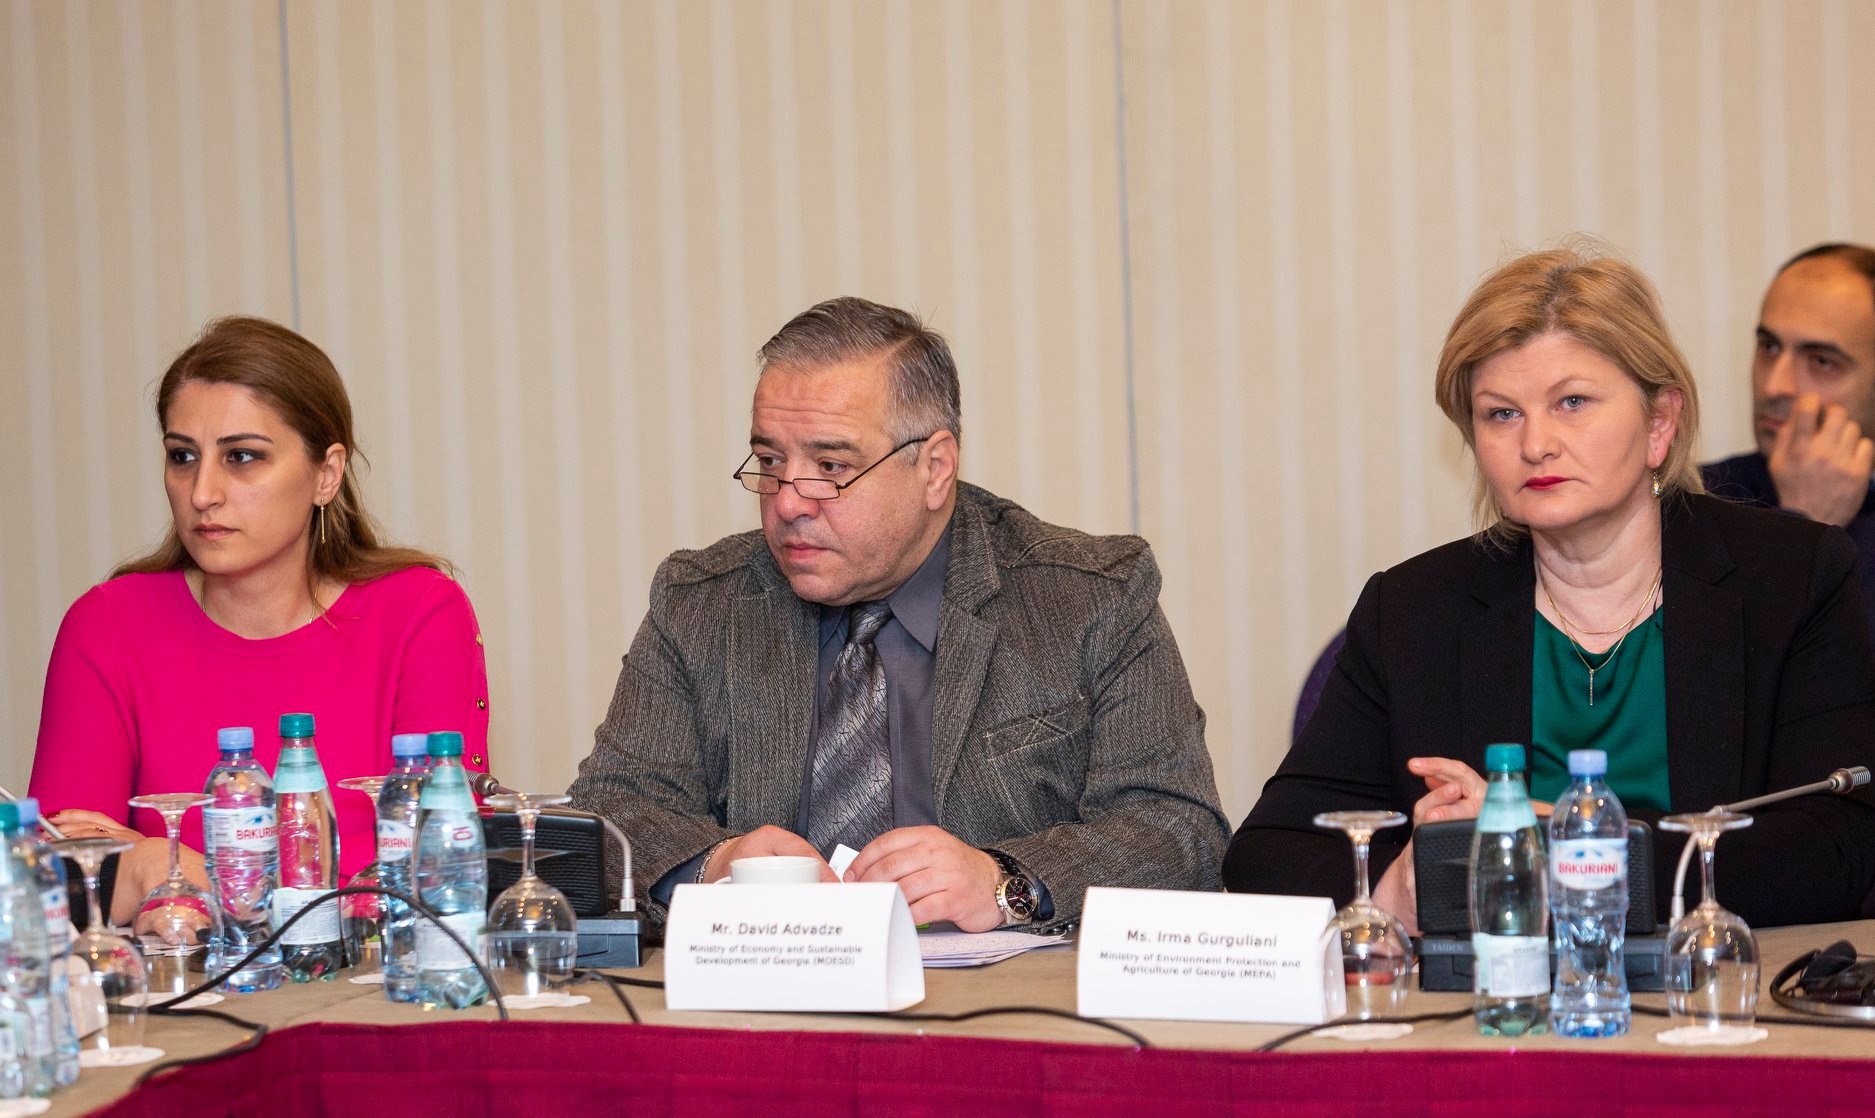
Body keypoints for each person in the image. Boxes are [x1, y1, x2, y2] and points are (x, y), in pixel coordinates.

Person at [1224, 246, 1875, 931]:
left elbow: (1838, 851)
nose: (1535, 443)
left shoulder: (1789, 577)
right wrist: (1398, 889)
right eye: (1501, 414)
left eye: (1571, 402)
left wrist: (1555, 843)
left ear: (1659, 423)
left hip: (1712, 986)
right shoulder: (1413, 611)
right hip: (1491, 993)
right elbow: (1267, 853)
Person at [569, 296, 1227, 931]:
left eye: (830, 465)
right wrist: (716, 865)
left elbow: (1178, 831)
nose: (789, 502)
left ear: (934, 468)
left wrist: (1004, 882)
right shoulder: (702, 603)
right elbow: (607, 813)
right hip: (767, 986)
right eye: (770, 461)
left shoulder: (1086, 598)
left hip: (1005, 998)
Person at [29, 316, 492, 923]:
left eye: (242, 457)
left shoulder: (419, 612)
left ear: (326, 474)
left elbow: (442, 863)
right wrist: (136, 870)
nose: (202, 493)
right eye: (182, 456)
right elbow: (56, 880)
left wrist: (167, 866)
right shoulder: (107, 624)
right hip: (179, 978)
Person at [1703, 244, 1875, 641]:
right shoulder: (1695, 500)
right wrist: (1805, 523)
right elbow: (1718, 668)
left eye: (1821, 361)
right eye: (1769, 347)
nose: (1774, 385)